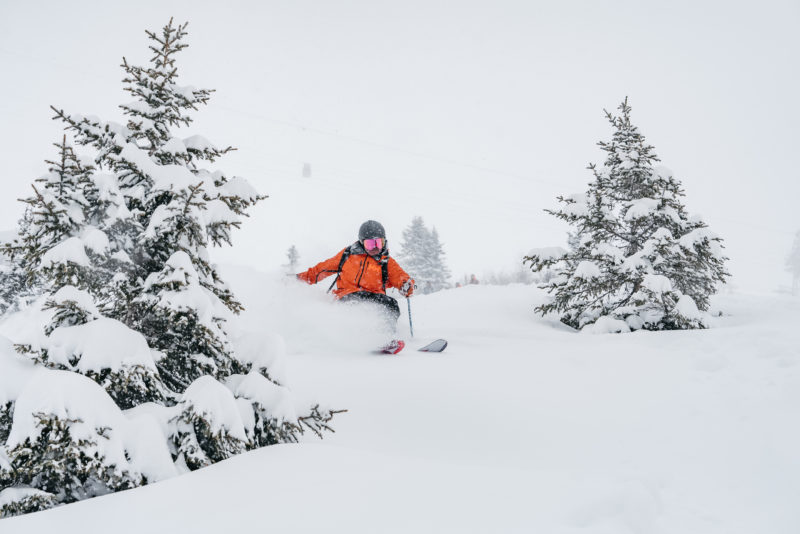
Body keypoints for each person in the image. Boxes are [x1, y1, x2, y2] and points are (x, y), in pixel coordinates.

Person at [296, 220, 415, 331]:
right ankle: (350, 332)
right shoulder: (348, 255)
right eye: (370, 244)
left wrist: (406, 285)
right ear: (361, 242)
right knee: (356, 301)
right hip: (347, 294)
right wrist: (299, 279)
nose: (374, 248)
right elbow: (322, 269)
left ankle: (386, 336)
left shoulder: (386, 262)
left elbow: (400, 276)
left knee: (391, 304)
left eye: (378, 243)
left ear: (384, 242)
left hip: (375, 296)